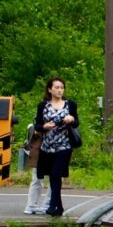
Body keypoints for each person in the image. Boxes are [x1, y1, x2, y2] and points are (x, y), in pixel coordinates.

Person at [34, 77, 78, 217]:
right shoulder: (43, 105)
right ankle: (59, 207)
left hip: (64, 145)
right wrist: (44, 127)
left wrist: (71, 119)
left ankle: (52, 205)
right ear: (50, 89)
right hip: (47, 146)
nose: (60, 90)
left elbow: (76, 123)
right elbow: (38, 125)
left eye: (62, 87)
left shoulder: (70, 104)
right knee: (52, 176)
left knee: (56, 173)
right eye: (57, 87)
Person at [21, 123, 48, 215]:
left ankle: (32, 205)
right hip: (45, 151)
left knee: (37, 179)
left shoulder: (39, 119)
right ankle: (46, 205)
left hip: (38, 151)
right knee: (54, 179)